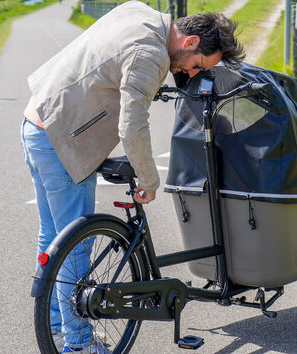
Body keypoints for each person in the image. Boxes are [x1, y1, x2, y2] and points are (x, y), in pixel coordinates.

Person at [21, 1, 244, 352]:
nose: (189, 74)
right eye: (197, 65)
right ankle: (78, 345)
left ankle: (55, 322)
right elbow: (132, 125)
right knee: (76, 248)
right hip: (61, 138)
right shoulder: (151, 54)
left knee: (54, 237)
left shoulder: (139, 12)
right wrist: (149, 180)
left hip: (36, 121)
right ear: (189, 44)